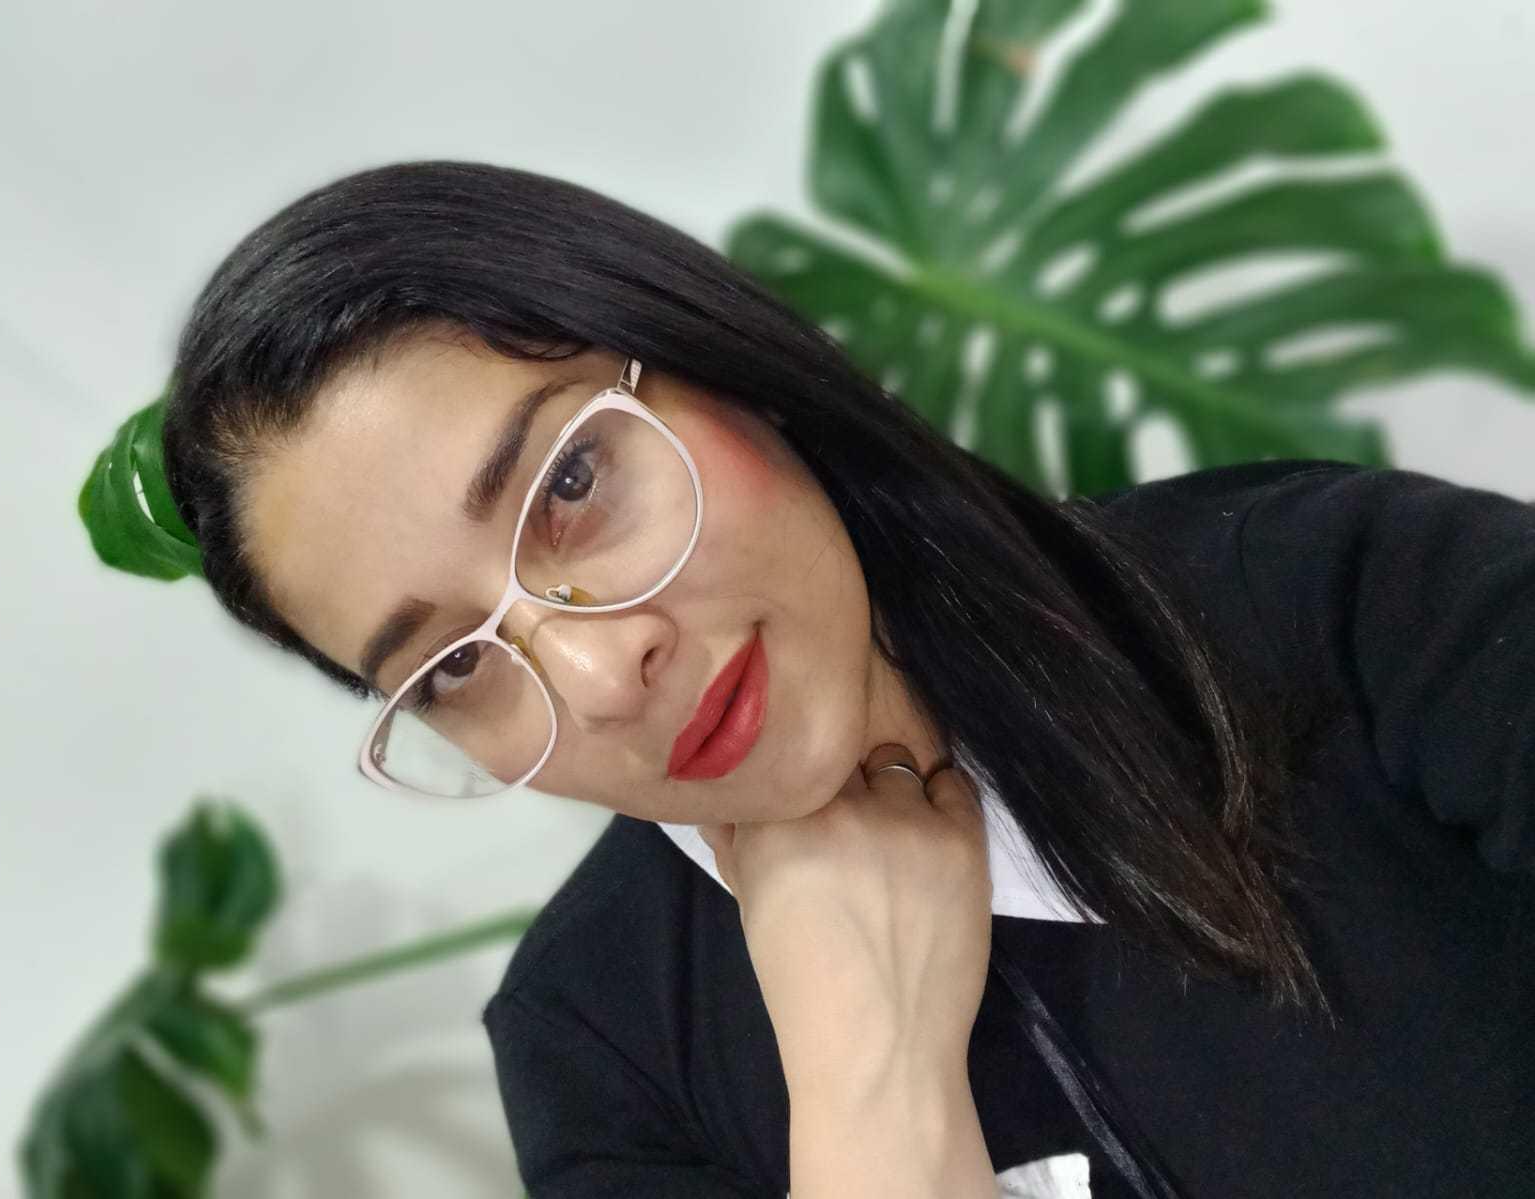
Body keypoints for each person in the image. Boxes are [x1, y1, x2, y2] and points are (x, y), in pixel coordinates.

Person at [160, 160, 1534, 1197]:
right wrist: (869, 1086)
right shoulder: (600, 1046)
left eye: (571, 483)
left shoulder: (1349, 600)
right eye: (456, 667)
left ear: (719, 363)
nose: (601, 668)